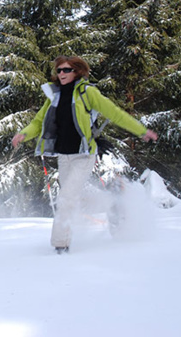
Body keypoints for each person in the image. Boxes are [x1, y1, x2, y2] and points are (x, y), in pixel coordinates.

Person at [11, 56, 158, 254]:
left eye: (66, 70)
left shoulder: (88, 93)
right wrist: (24, 134)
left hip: (83, 155)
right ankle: (113, 203)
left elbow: (115, 113)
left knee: (66, 197)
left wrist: (141, 131)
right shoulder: (54, 95)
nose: (61, 74)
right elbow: (38, 122)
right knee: (73, 198)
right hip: (64, 156)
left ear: (78, 72)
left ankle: (60, 245)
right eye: (59, 70)